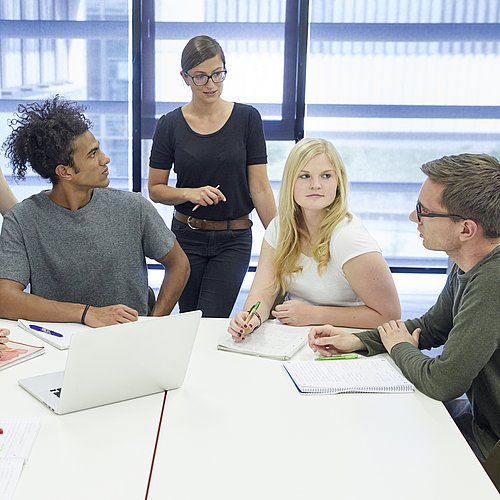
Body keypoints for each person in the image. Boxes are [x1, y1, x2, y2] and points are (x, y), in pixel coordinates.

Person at [308, 153, 500, 463]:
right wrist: (359, 340)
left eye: (424, 211)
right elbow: (434, 326)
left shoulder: (493, 281)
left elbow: (444, 382)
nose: (414, 218)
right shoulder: (466, 260)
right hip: (481, 420)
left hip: (491, 441)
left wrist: (399, 348)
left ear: (466, 229)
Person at [0, 96, 190, 327]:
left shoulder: (132, 207)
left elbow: (179, 264)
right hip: (58, 342)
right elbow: (5, 300)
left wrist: (153, 324)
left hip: (128, 338)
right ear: (65, 172)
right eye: (92, 154)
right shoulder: (21, 220)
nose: (105, 159)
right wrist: (86, 313)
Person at [148, 35, 277, 318]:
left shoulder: (247, 119)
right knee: (188, 320)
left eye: (218, 74)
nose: (211, 84)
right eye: (201, 77)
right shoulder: (169, 125)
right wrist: (188, 193)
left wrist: (282, 238)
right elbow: (155, 189)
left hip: (234, 238)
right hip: (185, 236)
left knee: (210, 319)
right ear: (184, 77)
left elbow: (260, 188)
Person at [228, 138, 400, 341]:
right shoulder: (280, 227)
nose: (315, 185)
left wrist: (313, 314)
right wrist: (251, 318)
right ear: (290, 182)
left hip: (348, 342)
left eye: (326, 176)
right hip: (297, 338)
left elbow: (389, 315)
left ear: (338, 182)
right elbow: (262, 294)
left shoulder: (349, 238)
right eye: (304, 176)